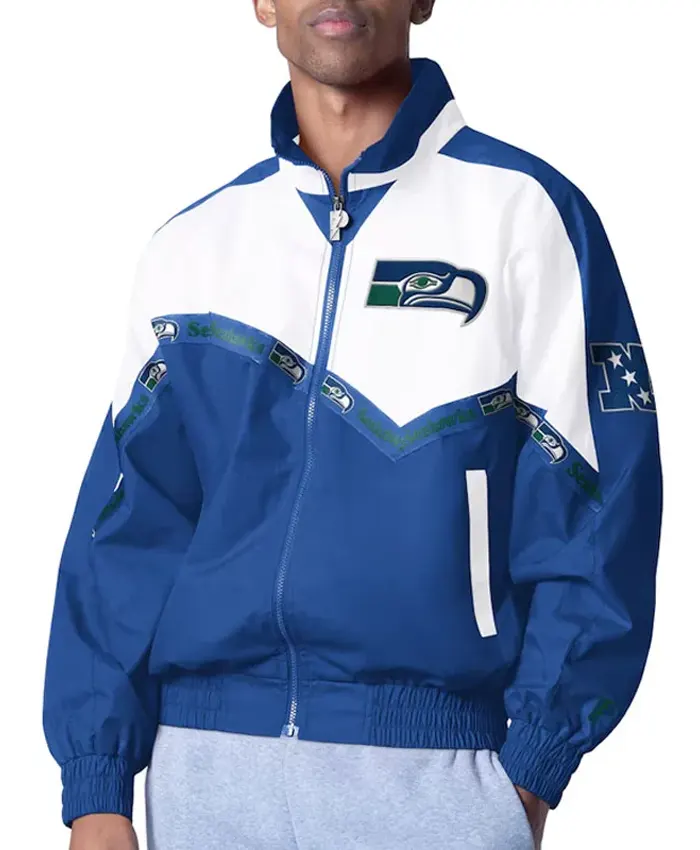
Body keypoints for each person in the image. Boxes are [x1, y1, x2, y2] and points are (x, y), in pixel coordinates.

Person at [42, 1, 663, 848]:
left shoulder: (526, 215)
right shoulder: (194, 247)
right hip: (203, 778)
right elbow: (125, 529)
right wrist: (97, 787)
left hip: (437, 775)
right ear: (263, 3)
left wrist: (527, 775)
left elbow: (602, 505)